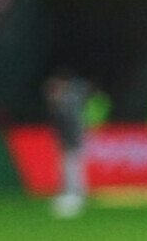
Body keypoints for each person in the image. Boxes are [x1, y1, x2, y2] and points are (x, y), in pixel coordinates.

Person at [43, 67, 93, 218]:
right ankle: (72, 194)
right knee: (69, 168)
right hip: (70, 139)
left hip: (73, 140)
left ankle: (75, 195)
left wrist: (69, 141)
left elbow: (71, 125)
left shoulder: (68, 103)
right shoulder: (64, 102)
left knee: (72, 168)